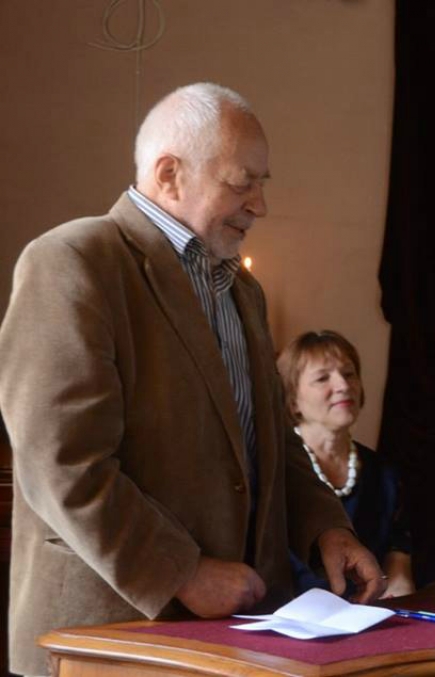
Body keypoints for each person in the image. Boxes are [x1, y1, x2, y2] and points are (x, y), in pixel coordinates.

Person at [0, 83, 386, 676]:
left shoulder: (242, 291)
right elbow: (61, 463)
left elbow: (272, 443)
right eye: (243, 182)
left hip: (238, 642)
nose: (260, 204)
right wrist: (181, 572)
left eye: (263, 184)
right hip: (106, 641)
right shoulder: (73, 260)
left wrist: (327, 529)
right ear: (169, 174)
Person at [277, 330, 415, 598]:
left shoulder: (385, 474)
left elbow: (399, 575)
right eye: (322, 378)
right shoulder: (277, 470)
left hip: (367, 617)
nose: (342, 385)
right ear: (293, 401)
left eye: (349, 374)